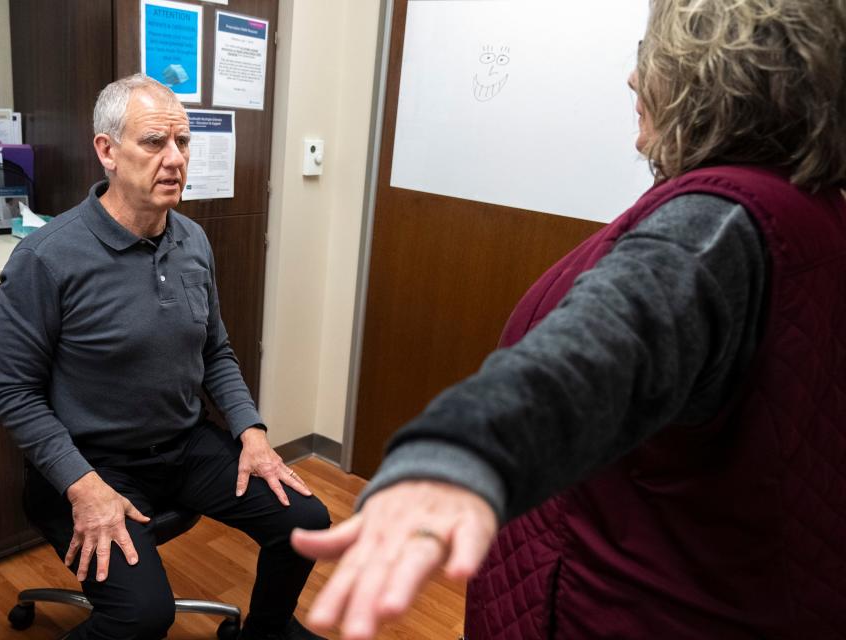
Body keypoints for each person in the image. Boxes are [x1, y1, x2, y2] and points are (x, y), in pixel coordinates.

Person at [292, 1, 846, 638]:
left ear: (710, 74)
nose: (634, 79)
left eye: (650, 56)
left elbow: (593, 354)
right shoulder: (814, 207)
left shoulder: (717, 224)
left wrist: (459, 454)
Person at [0, 74, 330, 640]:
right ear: (107, 151)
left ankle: (268, 631)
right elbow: (11, 393)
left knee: (305, 521)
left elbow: (215, 350)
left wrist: (252, 432)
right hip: (92, 464)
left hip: (183, 445)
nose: (175, 159)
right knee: (143, 615)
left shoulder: (193, 240)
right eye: (154, 143)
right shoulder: (46, 258)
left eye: (184, 142)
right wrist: (83, 485)